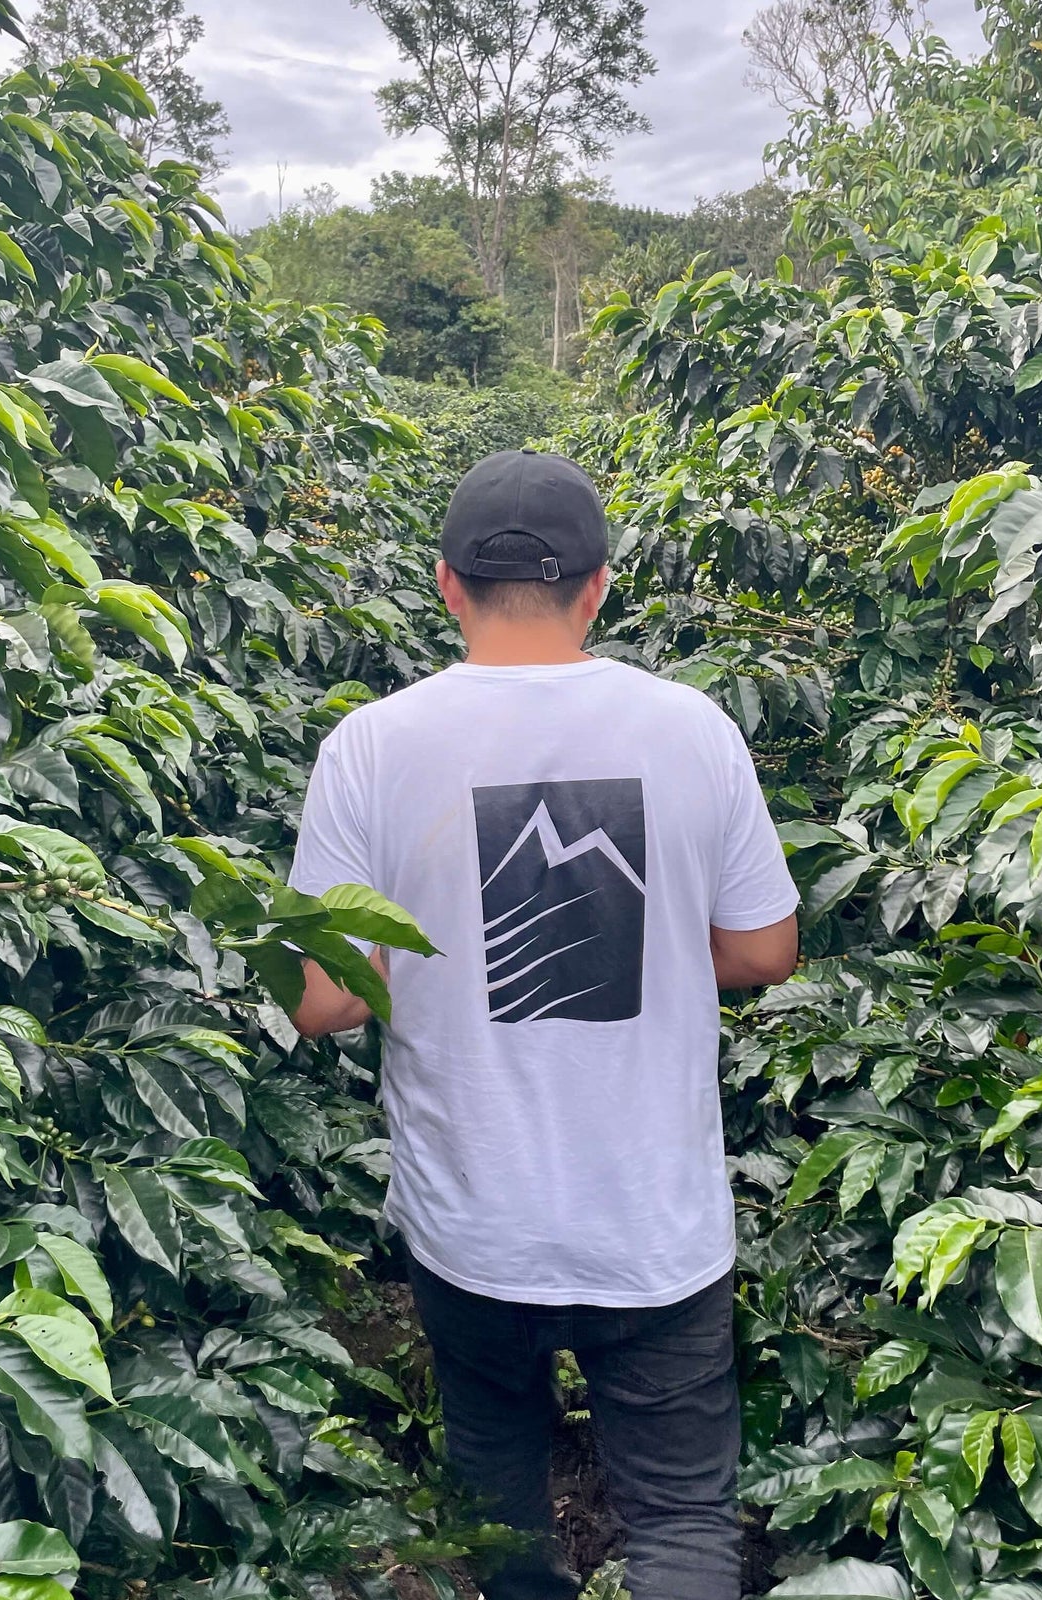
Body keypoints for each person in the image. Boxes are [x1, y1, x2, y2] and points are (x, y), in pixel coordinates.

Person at [286, 449, 801, 1600]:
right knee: (680, 1520)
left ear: (445, 586)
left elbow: (321, 1001)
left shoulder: (370, 745)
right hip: (653, 1228)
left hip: (474, 1227)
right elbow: (764, 951)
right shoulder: (693, 727)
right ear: (600, 587)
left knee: (499, 1503)